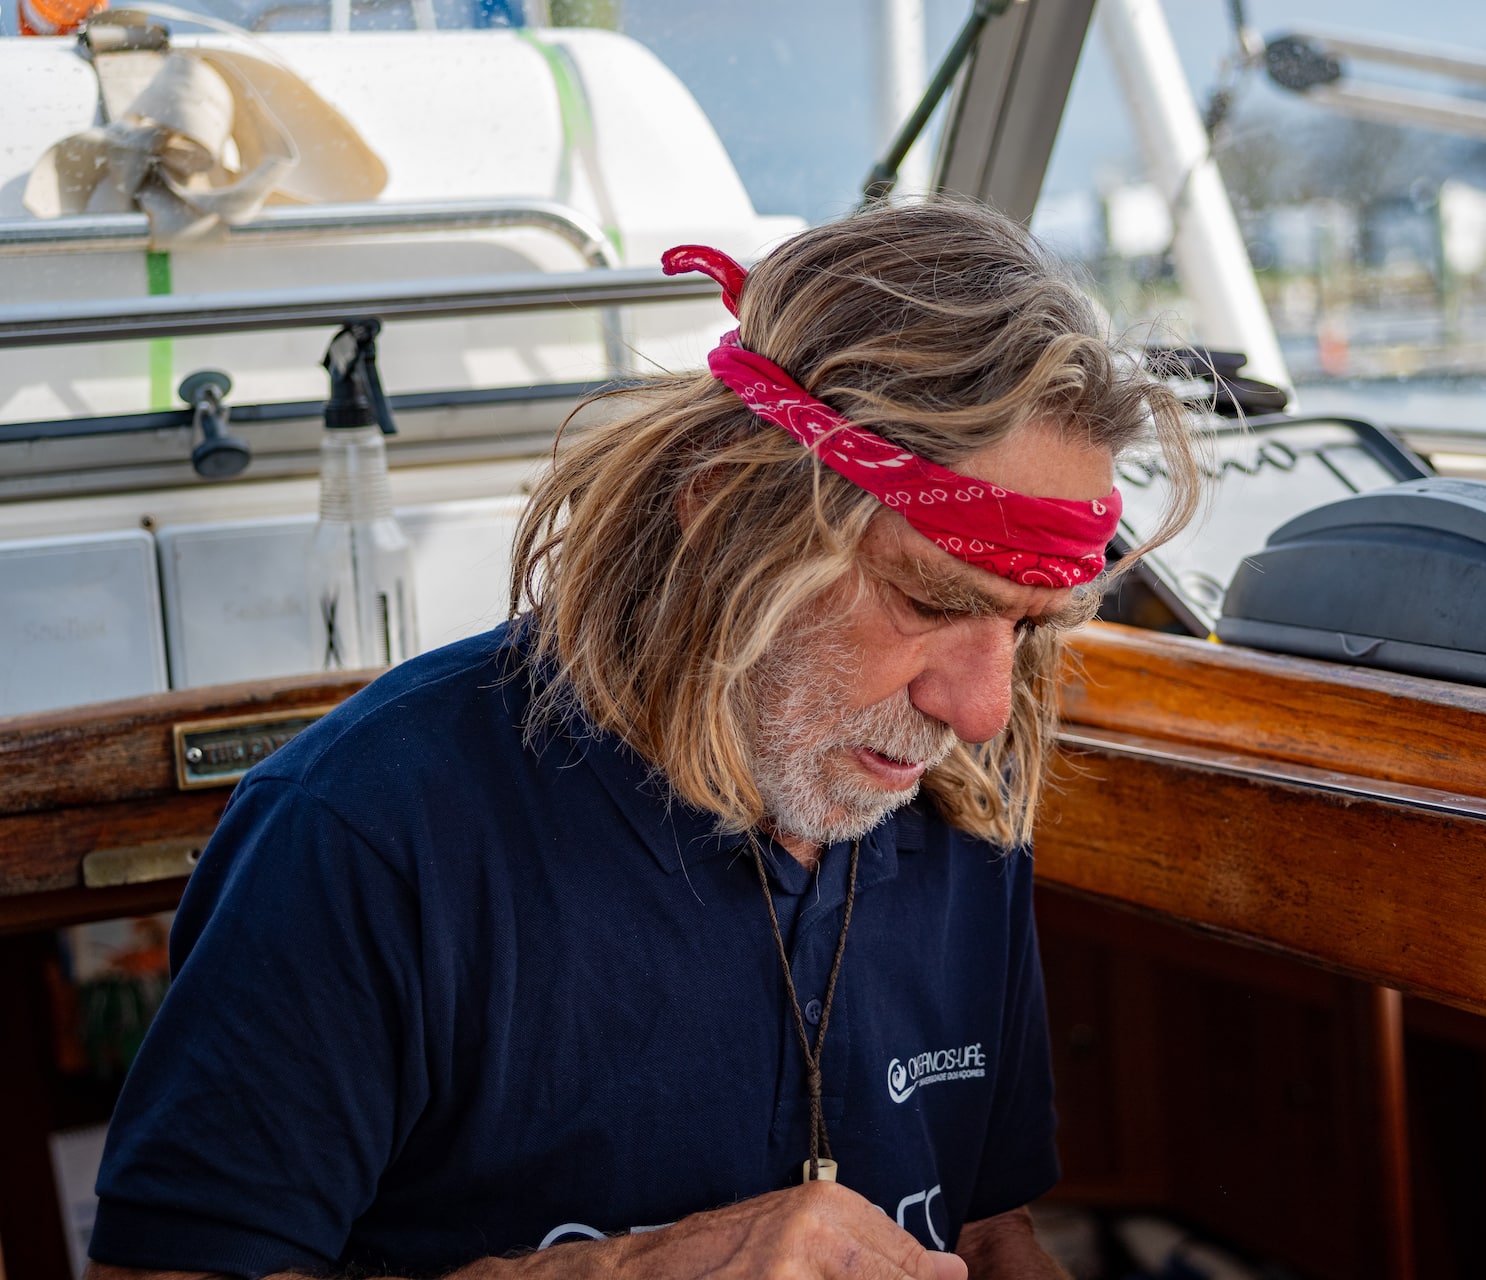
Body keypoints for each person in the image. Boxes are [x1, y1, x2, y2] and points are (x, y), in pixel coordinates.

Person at [84, 198, 1202, 1280]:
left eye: (1022, 626)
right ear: (721, 514)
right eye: (928, 598)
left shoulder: (955, 802)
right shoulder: (367, 835)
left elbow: (985, 1224)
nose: (981, 710)